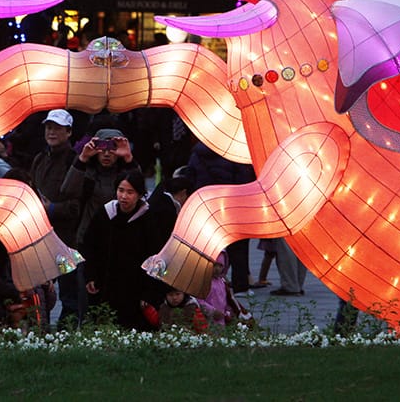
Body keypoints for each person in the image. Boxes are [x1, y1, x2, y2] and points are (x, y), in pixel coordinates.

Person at [80, 170, 166, 330]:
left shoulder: (148, 219)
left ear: (140, 194)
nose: (124, 196)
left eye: (130, 192)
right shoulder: (105, 214)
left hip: (136, 288)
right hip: (106, 284)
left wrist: (150, 292)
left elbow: (156, 257)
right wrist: (90, 275)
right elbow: (90, 245)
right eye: (121, 190)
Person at [29, 109, 79, 327]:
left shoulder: (74, 161)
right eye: (49, 127)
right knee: (40, 290)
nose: (52, 132)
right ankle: (40, 332)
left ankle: (65, 334)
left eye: (57, 128)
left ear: (68, 132)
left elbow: (78, 205)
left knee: (69, 293)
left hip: (67, 239)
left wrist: (50, 208)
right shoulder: (39, 159)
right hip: (41, 236)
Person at [187, 140, 256, 293]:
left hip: (205, 204)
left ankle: (202, 284)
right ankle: (241, 285)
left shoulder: (197, 154)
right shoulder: (233, 155)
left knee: (206, 246)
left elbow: (190, 177)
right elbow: (244, 179)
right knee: (238, 246)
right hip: (230, 205)